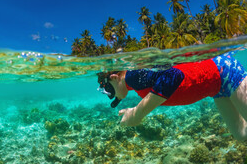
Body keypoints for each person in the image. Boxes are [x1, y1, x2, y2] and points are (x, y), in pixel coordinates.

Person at [97, 52, 247, 141]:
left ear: (114, 78)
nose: (111, 96)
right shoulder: (134, 83)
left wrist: (137, 114)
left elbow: (173, 75)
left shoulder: (132, 76)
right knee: (241, 134)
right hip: (217, 87)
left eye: (108, 90)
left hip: (224, 71)